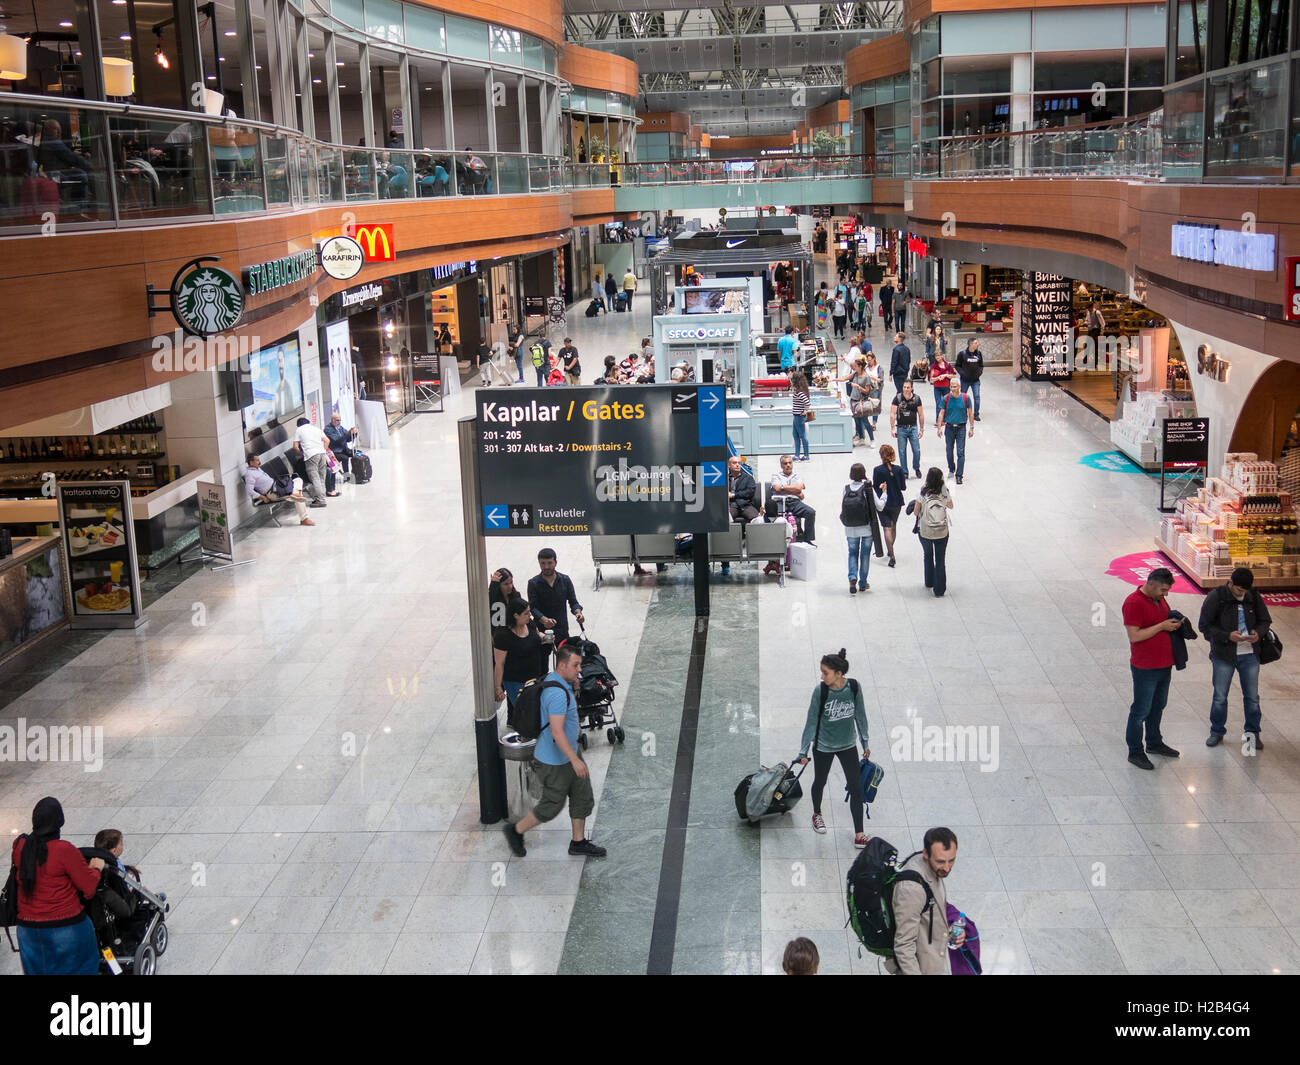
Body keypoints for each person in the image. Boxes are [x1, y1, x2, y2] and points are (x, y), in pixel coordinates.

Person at [501, 645, 607, 859]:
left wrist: (574, 684)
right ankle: (516, 831)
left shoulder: (558, 680)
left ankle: (578, 842)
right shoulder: (556, 694)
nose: (580, 670)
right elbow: (557, 733)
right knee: (551, 805)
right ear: (562, 665)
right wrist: (574, 760)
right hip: (555, 760)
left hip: (569, 753)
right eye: (576, 665)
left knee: (582, 795)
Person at [11, 797, 106, 975]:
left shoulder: (20, 846)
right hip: (66, 927)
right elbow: (89, 888)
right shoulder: (63, 850)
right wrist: (96, 869)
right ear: (59, 822)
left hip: (27, 930)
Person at [798, 648, 870, 849]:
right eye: (821, 672)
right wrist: (803, 751)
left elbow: (861, 716)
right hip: (823, 746)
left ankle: (859, 833)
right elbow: (811, 721)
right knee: (820, 782)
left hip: (848, 745)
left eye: (825, 672)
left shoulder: (854, 688)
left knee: (856, 788)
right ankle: (817, 813)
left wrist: (865, 743)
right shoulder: (821, 691)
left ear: (838, 674)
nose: (822, 676)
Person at [1199, 567, 1272, 750]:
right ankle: (1216, 731)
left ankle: (1253, 733)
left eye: (1245, 591)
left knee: (1252, 697)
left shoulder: (1253, 596)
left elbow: (1265, 620)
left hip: (1249, 655)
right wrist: (1227, 636)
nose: (1242, 594)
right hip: (1224, 655)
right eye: (1239, 590)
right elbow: (1205, 626)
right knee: (1220, 696)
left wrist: (1258, 633)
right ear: (1231, 583)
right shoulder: (1217, 597)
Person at [1122, 567, 1183, 769]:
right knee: (1141, 710)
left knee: (1158, 706)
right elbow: (1134, 636)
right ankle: (1135, 751)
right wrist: (1162, 626)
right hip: (1145, 667)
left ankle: (1154, 742)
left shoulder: (1159, 599)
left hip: (1164, 664)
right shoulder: (1133, 603)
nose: (1166, 594)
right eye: (1163, 590)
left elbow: (1161, 621)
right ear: (1150, 584)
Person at [885, 827, 961, 975]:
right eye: (941, 861)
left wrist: (948, 930)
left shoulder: (932, 867)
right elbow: (904, 946)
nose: (946, 868)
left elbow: (931, 911)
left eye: (951, 860)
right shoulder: (911, 889)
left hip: (933, 961)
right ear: (926, 854)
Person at [493, 597, 548, 710]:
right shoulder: (503, 636)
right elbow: (499, 663)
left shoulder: (530, 624)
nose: (530, 616)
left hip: (535, 677)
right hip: (516, 681)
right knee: (525, 712)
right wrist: (498, 687)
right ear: (516, 615)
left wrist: (545, 638)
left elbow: (538, 635)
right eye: (526, 613)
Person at [908, 467, 953, 597]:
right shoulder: (944, 491)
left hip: (925, 530)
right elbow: (951, 505)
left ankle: (929, 581)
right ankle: (939, 590)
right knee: (940, 559)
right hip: (941, 531)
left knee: (928, 555)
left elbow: (916, 512)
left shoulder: (923, 492)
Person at [842, 461, 885, 594]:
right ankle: (863, 583)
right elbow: (880, 506)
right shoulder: (867, 488)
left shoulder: (846, 488)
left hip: (850, 528)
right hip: (866, 528)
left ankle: (852, 577)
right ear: (863, 474)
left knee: (852, 553)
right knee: (865, 555)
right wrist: (884, 493)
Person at [527, 548, 584, 643]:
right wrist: (544, 620)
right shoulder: (533, 583)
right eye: (543, 563)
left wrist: (578, 613)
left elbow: (573, 602)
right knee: (542, 657)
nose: (546, 567)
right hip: (542, 630)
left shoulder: (565, 580)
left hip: (561, 628)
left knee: (563, 656)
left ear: (555, 562)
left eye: (549, 563)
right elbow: (532, 607)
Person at [243, 454, 312, 526]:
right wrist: (262, 497)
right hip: (272, 493)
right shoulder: (250, 475)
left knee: (298, 479)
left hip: (277, 486)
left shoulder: (258, 469)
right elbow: (249, 490)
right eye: (257, 460)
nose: (259, 462)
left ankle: (295, 493)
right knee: (298, 497)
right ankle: (304, 519)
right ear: (251, 462)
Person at [766, 453, 817, 548]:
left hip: (795, 502)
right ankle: (773, 542)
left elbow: (799, 489)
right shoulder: (776, 475)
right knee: (773, 517)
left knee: (810, 512)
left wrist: (783, 488)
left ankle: (807, 539)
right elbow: (777, 489)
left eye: (790, 463)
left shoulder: (798, 476)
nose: (788, 465)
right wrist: (795, 491)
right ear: (781, 465)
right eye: (785, 463)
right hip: (780, 502)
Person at [873, 443, 907, 567]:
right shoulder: (898, 470)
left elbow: (876, 487)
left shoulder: (877, 470)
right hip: (897, 502)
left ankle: (891, 554)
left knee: (886, 528)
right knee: (893, 526)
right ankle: (890, 548)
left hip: (883, 502)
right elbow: (903, 487)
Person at [935, 378, 974, 484]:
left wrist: (971, 428)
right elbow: (941, 413)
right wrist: (939, 428)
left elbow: (970, 413)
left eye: (955, 386)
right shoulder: (946, 398)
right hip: (949, 427)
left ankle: (959, 475)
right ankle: (951, 467)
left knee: (960, 452)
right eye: (951, 386)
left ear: (959, 386)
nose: (952, 389)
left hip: (961, 427)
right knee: (949, 450)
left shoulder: (966, 398)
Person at [293, 416, 331, 505]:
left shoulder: (299, 429)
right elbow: (327, 441)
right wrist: (323, 450)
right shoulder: (316, 429)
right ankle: (322, 497)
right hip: (322, 454)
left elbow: (295, 446)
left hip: (311, 455)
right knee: (322, 477)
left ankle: (320, 500)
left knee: (315, 478)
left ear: (298, 425)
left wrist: (302, 454)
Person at [891, 378, 925, 477]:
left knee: (916, 450)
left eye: (908, 387)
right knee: (902, 451)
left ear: (912, 388)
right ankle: (904, 472)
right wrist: (893, 428)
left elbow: (921, 414)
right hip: (901, 428)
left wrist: (922, 429)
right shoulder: (897, 398)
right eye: (904, 387)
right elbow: (892, 414)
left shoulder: (917, 399)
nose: (906, 389)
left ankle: (916, 467)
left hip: (913, 427)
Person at [838, 357, 875, 445]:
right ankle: (861, 437)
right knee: (857, 421)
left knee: (865, 421)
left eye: (855, 366)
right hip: (853, 400)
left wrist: (858, 386)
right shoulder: (855, 374)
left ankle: (872, 439)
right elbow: (845, 378)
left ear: (860, 366)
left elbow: (867, 391)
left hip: (861, 401)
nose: (854, 367)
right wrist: (833, 380)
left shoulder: (866, 377)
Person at [726, 453, 761, 525]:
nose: (737, 465)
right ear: (729, 465)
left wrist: (734, 495)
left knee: (758, 520)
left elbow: (750, 492)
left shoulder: (748, 478)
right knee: (725, 519)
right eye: (734, 463)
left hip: (745, 504)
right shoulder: (724, 478)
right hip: (730, 505)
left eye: (739, 463)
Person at [955, 338, 984, 421]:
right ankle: (962, 413)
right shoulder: (962, 354)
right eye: (976, 343)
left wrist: (979, 373)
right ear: (971, 344)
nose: (977, 344)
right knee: (963, 397)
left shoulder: (979, 353)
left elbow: (981, 365)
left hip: (975, 380)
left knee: (977, 396)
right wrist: (963, 374)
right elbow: (957, 365)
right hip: (965, 380)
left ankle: (976, 414)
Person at [324, 411, 357, 479]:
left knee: (357, 453)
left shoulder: (340, 428)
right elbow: (337, 441)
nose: (339, 422)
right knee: (345, 458)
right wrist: (348, 433)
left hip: (343, 449)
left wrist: (353, 434)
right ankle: (347, 476)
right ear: (332, 420)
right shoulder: (327, 429)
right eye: (337, 420)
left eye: (340, 420)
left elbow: (347, 439)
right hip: (334, 451)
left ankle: (357, 473)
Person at [790, 371, 812, 461]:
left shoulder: (799, 392)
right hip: (796, 416)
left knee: (802, 436)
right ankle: (797, 455)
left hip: (799, 416)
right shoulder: (800, 391)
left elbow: (807, 402)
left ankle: (806, 455)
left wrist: (805, 410)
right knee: (795, 435)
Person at [929, 349, 957, 421]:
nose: (937, 357)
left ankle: (946, 419)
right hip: (937, 387)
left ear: (942, 356)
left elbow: (953, 375)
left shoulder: (947, 365)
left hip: (946, 387)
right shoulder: (933, 366)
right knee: (938, 403)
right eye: (936, 356)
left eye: (939, 355)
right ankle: (938, 420)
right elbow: (931, 379)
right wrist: (938, 378)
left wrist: (945, 375)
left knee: (947, 403)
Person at [488, 567, 518, 634]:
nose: (510, 586)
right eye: (506, 584)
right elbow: (490, 602)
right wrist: (493, 586)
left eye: (511, 583)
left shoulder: (516, 595)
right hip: (497, 634)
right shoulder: (494, 598)